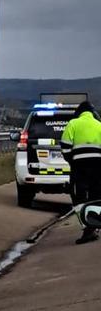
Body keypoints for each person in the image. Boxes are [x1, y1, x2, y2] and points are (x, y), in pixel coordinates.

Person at [60, 101, 101, 244]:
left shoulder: (73, 123)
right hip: (98, 167)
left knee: (78, 195)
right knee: (96, 195)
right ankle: (94, 226)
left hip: (79, 167)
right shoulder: (99, 125)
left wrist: (72, 161)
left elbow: (65, 146)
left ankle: (86, 227)